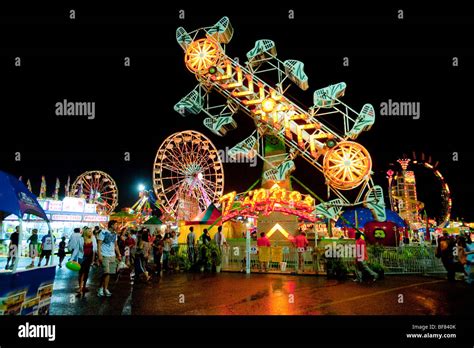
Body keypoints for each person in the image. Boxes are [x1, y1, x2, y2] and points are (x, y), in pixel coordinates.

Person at [97, 220, 122, 297]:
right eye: (116, 225)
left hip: (112, 255)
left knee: (109, 273)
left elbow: (116, 245)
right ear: (111, 225)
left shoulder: (115, 234)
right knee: (106, 272)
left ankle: (104, 288)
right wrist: (99, 255)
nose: (117, 226)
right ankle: (102, 288)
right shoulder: (103, 232)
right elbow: (99, 244)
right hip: (104, 255)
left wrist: (119, 254)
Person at [77, 227, 97, 296]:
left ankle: (84, 286)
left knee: (86, 273)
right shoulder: (81, 239)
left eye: (91, 231)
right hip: (82, 258)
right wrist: (72, 259)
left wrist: (93, 260)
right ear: (86, 232)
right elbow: (77, 249)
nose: (91, 232)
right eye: (89, 231)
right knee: (81, 273)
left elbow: (94, 250)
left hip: (89, 258)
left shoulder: (93, 238)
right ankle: (80, 288)